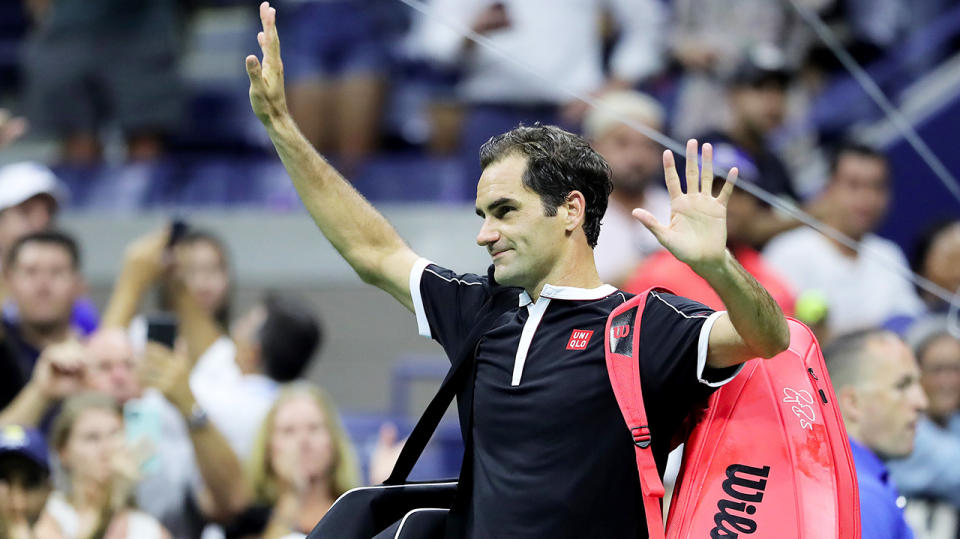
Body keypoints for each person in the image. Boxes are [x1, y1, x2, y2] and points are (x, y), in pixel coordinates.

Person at [246, 4, 789, 537]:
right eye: (483, 215)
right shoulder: (479, 307)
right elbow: (373, 252)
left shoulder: (646, 323)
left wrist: (717, 265)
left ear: (571, 211)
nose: (485, 234)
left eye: (505, 212)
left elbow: (766, 337)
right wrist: (282, 129)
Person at [0, 328, 252, 538]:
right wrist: (40, 393)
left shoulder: (165, 436)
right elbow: (9, 443)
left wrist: (189, 404)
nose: (119, 377)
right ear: (63, 451)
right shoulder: (52, 505)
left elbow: (234, 501)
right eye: (105, 367)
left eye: (129, 365)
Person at [103, 229, 322, 460]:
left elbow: (161, 397)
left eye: (246, 323)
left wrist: (132, 280)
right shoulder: (287, 396)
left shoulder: (238, 402)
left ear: (253, 353)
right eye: (193, 271)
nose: (202, 281)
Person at [763, 142, 925, 336]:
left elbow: (912, 324)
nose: (867, 198)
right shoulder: (788, 251)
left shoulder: (889, 253)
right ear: (828, 189)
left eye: (877, 186)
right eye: (853, 185)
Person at [823, 329, 928, 539]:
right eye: (902, 386)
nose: (921, 402)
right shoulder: (859, 499)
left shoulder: (845, 481)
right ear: (853, 403)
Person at [226, 382, 360, 539]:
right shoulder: (246, 519)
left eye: (314, 428)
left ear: (333, 444)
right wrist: (292, 497)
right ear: (269, 449)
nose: (303, 441)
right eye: (288, 431)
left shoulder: (358, 514)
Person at [38, 392, 172, 538]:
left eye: (115, 433)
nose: (107, 449)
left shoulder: (145, 527)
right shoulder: (48, 511)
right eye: (92, 438)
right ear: (63, 451)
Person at [584, 91, 671, 285]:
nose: (637, 157)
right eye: (622, 143)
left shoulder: (673, 210)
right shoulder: (576, 214)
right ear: (593, 147)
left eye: (648, 145)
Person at [887, 321, 960, 535]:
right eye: (938, 370)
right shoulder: (905, 428)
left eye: (956, 369)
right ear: (915, 374)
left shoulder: (952, 421)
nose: (949, 381)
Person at [1, 231, 86, 408]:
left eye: (57, 272)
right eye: (30, 272)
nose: (43, 286)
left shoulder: (94, 348)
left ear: (78, 284)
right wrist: (42, 391)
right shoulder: (3, 350)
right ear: (8, 281)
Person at [0, 424, 53, 539]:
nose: (18, 504)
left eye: (30, 484)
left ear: (49, 488)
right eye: (4, 481)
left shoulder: (70, 527)